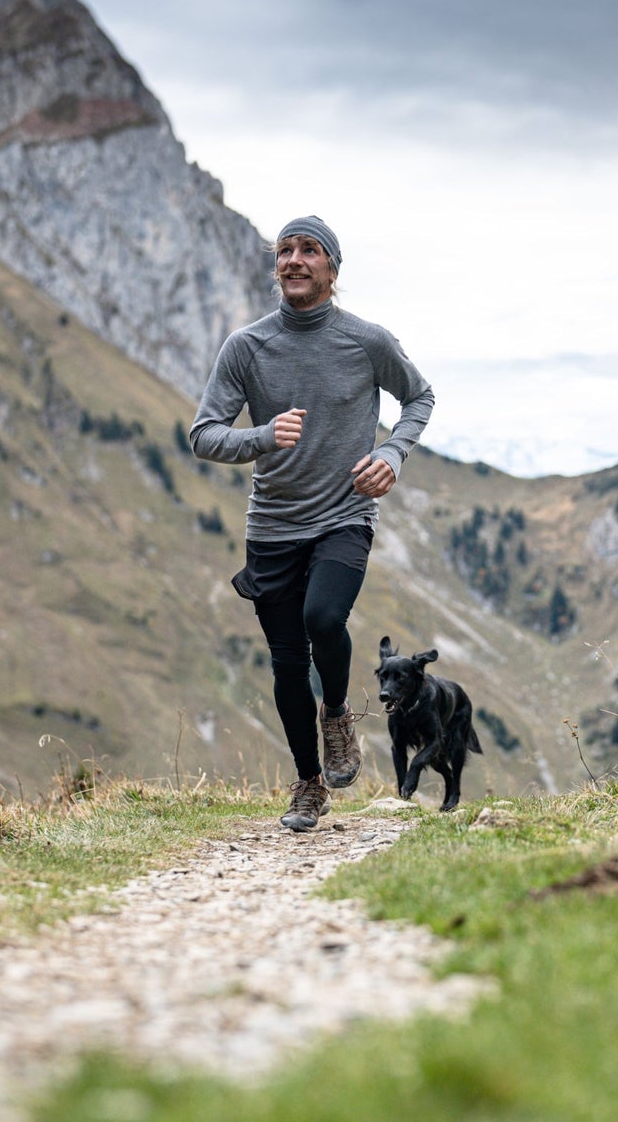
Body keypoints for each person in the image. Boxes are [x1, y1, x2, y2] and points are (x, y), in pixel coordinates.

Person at [190, 216, 434, 831]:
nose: (294, 260)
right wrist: (263, 436)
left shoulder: (366, 341)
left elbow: (420, 397)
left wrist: (391, 453)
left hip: (343, 514)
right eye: (285, 251)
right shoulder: (247, 347)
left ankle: (338, 713)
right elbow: (204, 434)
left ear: (332, 268)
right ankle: (308, 785)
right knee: (285, 662)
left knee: (323, 618)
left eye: (309, 251)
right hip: (272, 523)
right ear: (277, 267)